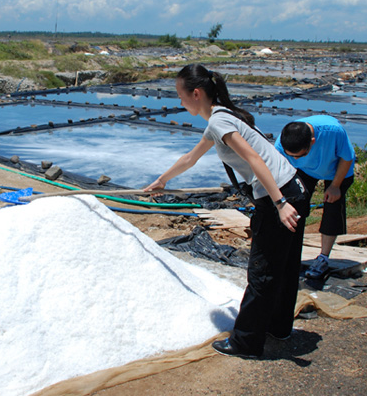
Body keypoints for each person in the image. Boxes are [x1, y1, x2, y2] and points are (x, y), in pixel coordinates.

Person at [144, 64, 309, 359]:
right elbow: (190, 158)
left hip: (280, 196)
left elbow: (254, 158)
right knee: (283, 267)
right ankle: (278, 327)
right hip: (292, 185)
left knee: (262, 272)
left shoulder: (220, 122)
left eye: (181, 96)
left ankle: (245, 343)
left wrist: (280, 204)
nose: (180, 103)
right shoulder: (221, 118)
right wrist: (163, 180)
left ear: (196, 94)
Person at [275, 116, 355, 279]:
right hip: (305, 171)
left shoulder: (333, 132)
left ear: (312, 142)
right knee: (295, 208)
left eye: (300, 155)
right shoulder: (282, 143)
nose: (295, 158)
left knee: (332, 207)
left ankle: (323, 258)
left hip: (337, 170)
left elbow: (347, 157)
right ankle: (291, 254)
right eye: (292, 156)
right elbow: (278, 168)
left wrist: (335, 186)